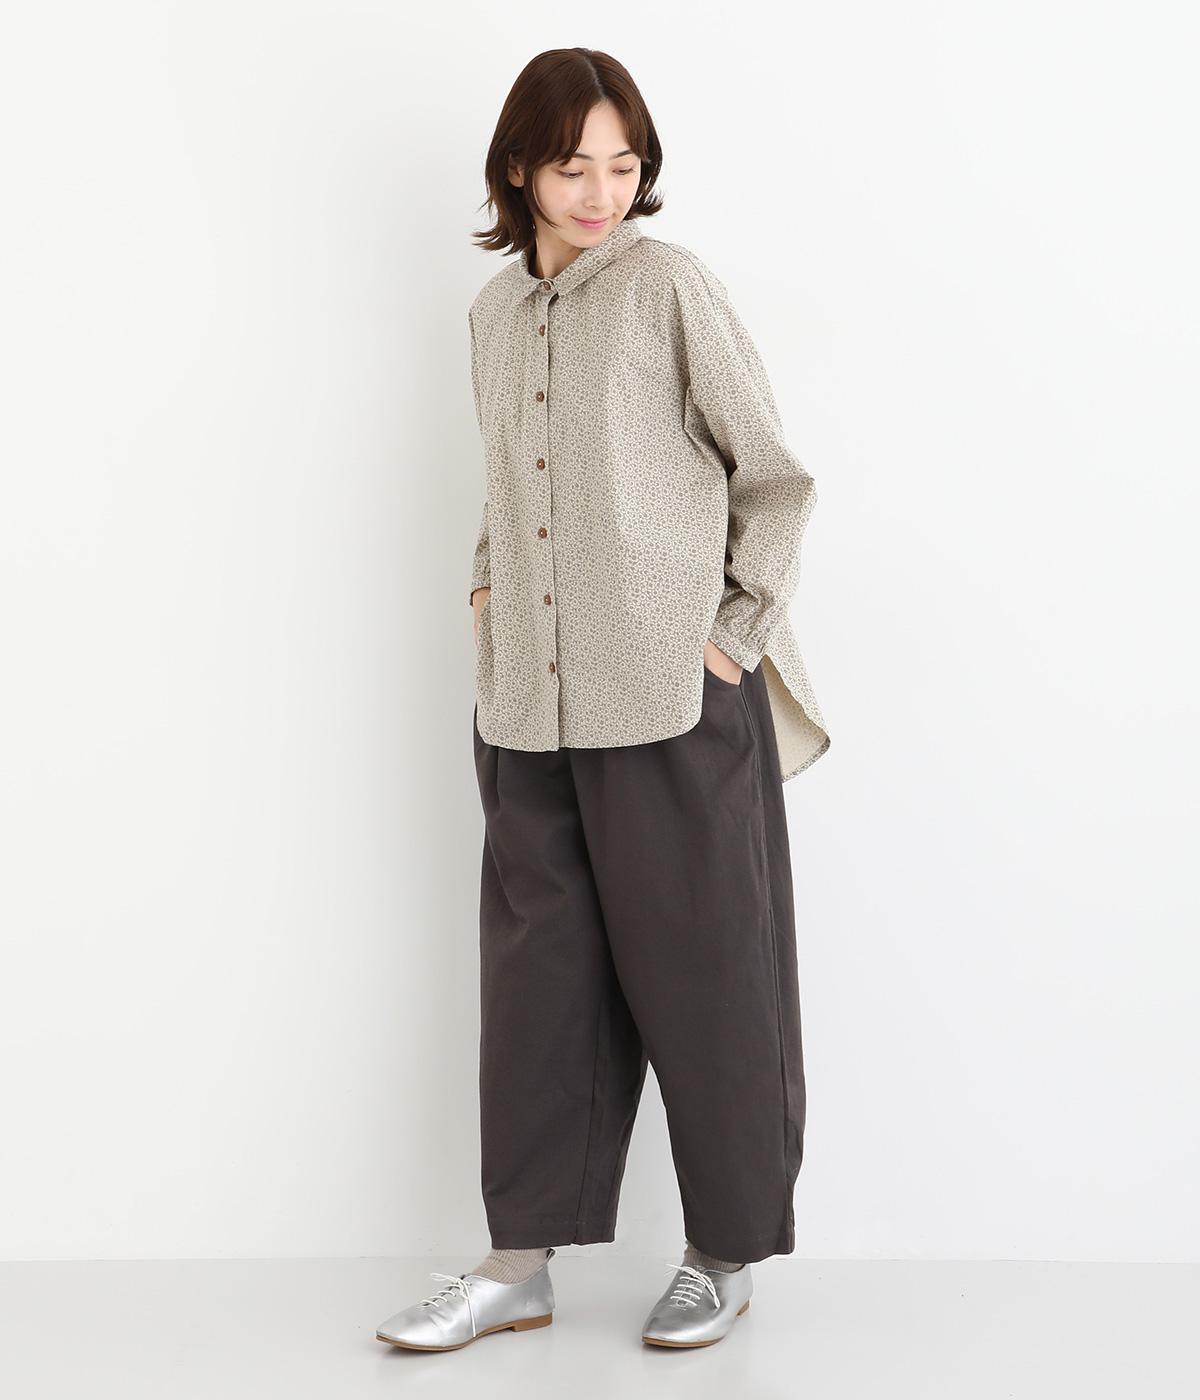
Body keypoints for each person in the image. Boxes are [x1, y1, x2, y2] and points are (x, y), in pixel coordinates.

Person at [377, 46, 830, 1353]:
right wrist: (485, 592)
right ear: (519, 167)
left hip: (674, 696)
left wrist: (733, 638)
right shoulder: (493, 315)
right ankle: (517, 1264)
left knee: (710, 977)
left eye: (623, 166)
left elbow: (775, 479)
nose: (600, 192)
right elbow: (508, 483)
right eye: (574, 165)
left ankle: (724, 1255)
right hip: (528, 702)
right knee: (540, 989)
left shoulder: (670, 287)